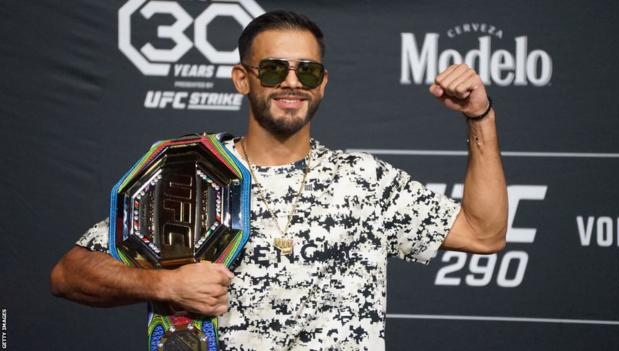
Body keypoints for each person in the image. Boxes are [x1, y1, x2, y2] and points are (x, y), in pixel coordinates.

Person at [50, 10, 508, 350]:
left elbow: (484, 234)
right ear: (242, 79)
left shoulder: (365, 179)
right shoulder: (189, 172)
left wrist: (479, 116)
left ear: (322, 83)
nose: (291, 82)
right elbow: (70, 274)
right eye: (273, 69)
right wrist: (163, 285)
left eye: (306, 70)